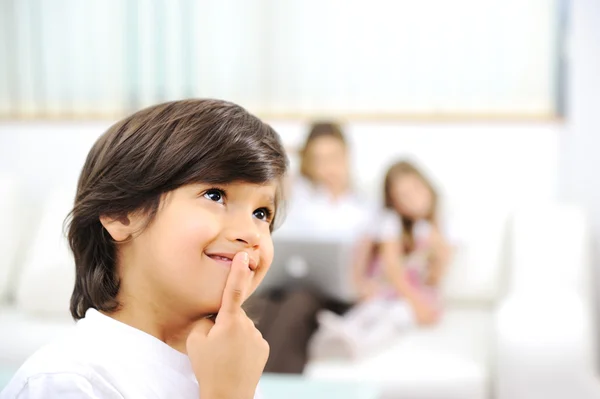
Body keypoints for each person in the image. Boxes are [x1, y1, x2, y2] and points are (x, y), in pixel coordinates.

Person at [0, 99, 288, 399]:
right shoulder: (66, 382)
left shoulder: (231, 366)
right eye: (215, 195)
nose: (250, 234)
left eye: (261, 213)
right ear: (121, 213)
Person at [251, 122, 373, 373]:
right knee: (263, 308)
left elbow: (368, 265)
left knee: (298, 306)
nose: (328, 166)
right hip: (288, 288)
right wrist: (293, 152)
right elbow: (271, 172)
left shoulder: (363, 207)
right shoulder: (299, 196)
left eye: (333, 157)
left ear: (347, 156)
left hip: (336, 297)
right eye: (319, 159)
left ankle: (274, 389)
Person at [313, 160, 452, 358]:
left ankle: (356, 343)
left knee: (397, 316)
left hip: (414, 297)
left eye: (415, 189)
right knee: (373, 309)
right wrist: (415, 302)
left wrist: (439, 252)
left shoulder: (439, 229)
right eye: (403, 196)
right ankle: (342, 331)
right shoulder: (391, 223)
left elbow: (434, 279)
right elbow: (393, 269)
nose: (413, 199)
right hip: (392, 291)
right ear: (394, 202)